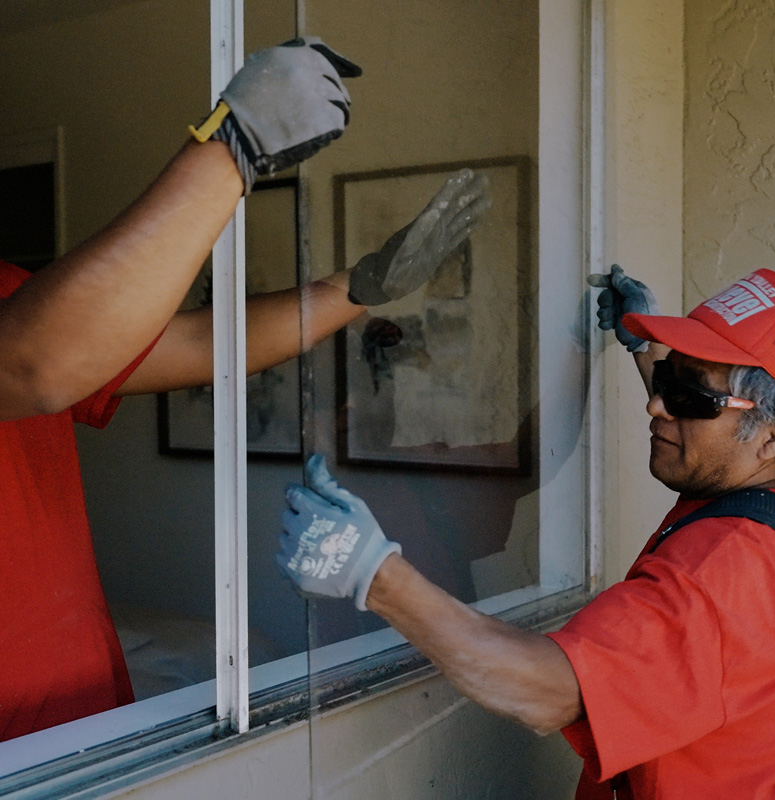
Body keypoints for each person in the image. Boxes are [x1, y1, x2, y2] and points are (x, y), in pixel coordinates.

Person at [0, 36, 490, 742]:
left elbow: (198, 343)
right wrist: (229, 146)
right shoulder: (30, 338)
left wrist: (356, 288)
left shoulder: (12, 296)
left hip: (80, 739)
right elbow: (35, 367)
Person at [279, 265, 775, 799]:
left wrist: (372, 572)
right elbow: (721, 440)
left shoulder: (723, 573)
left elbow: (551, 692)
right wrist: (641, 352)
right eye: (666, 382)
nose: (654, 405)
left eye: (688, 398)